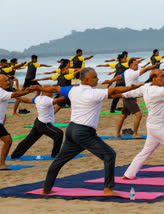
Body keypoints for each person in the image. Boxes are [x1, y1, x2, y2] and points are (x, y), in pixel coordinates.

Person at [30, 67, 143, 195]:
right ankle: (108, 189)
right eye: (95, 77)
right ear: (88, 80)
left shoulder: (73, 90)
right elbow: (115, 90)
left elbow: (54, 89)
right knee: (109, 155)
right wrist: (131, 88)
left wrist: (39, 89)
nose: (98, 79)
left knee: (60, 160)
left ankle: (46, 189)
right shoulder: (94, 93)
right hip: (83, 132)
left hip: (72, 130)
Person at [103, 59, 161, 138]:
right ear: (131, 66)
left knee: (123, 116)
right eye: (135, 64)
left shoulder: (127, 72)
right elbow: (145, 69)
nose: (137, 66)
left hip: (127, 96)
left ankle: (117, 134)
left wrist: (110, 80)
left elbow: (119, 76)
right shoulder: (133, 73)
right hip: (130, 97)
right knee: (139, 115)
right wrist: (154, 66)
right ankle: (135, 134)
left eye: (137, 64)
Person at [10, 88, 66, 158]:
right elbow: (57, 101)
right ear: (47, 92)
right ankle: (55, 154)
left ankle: (15, 155)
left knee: (29, 140)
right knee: (59, 133)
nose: (52, 93)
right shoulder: (46, 99)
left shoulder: (38, 98)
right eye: (51, 91)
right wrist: (66, 95)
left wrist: (17, 97)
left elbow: (27, 100)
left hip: (38, 122)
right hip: (44, 124)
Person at [0, 74, 36, 169]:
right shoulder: (1, 92)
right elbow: (15, 94)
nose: (8, 82)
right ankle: (2, 164)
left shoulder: (3, 91)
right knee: (8, 140)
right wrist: (28, 91)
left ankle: (2, 163)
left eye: (8, 80)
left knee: (7, 140)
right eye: (5, 81)